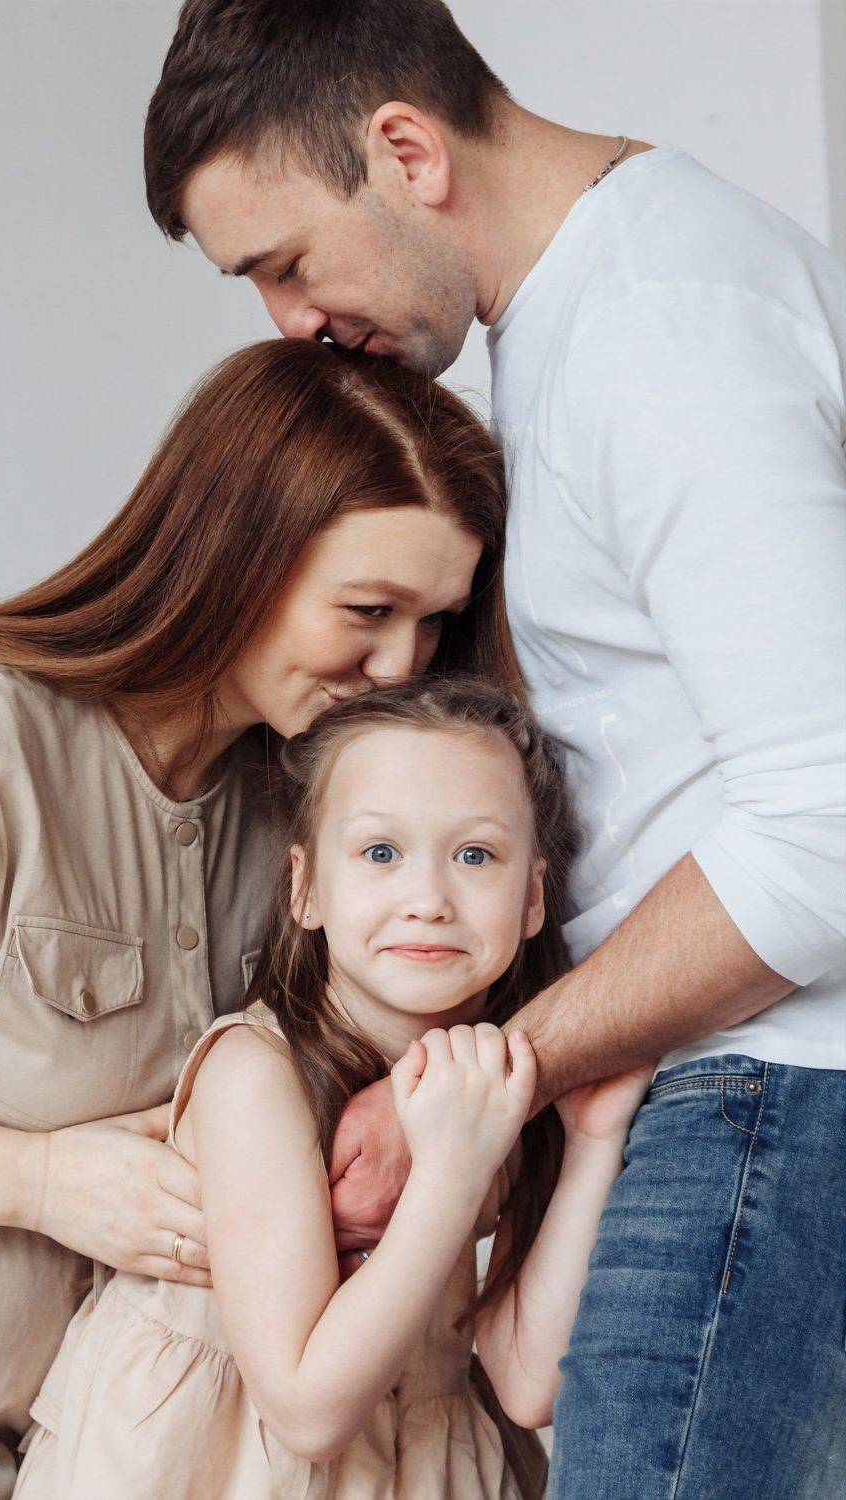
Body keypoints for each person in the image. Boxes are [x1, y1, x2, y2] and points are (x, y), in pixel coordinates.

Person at [143, 3, 846, 1495]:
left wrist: (479, 1090)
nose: (286, 319)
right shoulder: (585, 318)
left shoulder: (661, 326)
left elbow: (831, 825)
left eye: (286, 260)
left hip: (770, 1095)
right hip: (718, 1091)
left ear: (407, 150)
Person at [0, 338, 512, 1500]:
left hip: (59, 1461)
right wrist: (36, 1182)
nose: (400, 664)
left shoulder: (305, 821)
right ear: (236, 558)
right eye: (367, 609)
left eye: (432, 623)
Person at [13, 677, 651, 1500]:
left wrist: (593, 1140)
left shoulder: (492, 1083)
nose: (428, 901)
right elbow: (307, 1412)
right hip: (202, 1471)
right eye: (381, 853)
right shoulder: (254, 1073)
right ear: (305, 888)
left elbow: (529, 1383)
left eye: (475, 855)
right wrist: (452, 1170)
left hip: (415, 1467)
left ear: (531, 898)